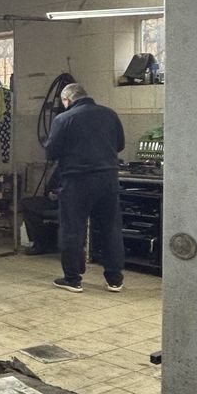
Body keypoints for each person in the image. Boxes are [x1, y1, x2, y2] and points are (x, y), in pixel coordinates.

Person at [43, 82, 125, 293]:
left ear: (67, 100)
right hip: (108, 179)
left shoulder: (64, 118)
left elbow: (51, 152)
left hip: (77, 180)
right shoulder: (110, 115)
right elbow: (120, 145)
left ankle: (72, 279)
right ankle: (115, 279)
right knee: (110, 228)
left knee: (72, 229)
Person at [20, 165, 60, 255]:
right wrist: (50, 193)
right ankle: (40, 242)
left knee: (33, 208)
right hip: (54, 200)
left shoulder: (81, 170)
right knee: (26, 203)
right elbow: (50, 187)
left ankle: (43, 243)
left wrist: (61, 194)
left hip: (69, 203)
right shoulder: (61, 167)